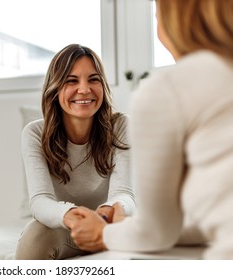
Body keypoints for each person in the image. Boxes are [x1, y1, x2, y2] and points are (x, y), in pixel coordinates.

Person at [65, 0, 233, 259]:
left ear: (174, 20)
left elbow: (156, 231)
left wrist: (103, 233)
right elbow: (213, 217)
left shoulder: (169, 89)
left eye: (157, 15)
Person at [15, 44, 136, 260]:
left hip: (110, 226)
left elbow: (124, 194)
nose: (84, 89)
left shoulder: (120, 126)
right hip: (66, 227)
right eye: (72, 81)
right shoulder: (34, 133)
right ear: (55, 88)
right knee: (35, 234)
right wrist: (73, 216)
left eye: (93, 79)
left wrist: (103, 216)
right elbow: (40, 200)